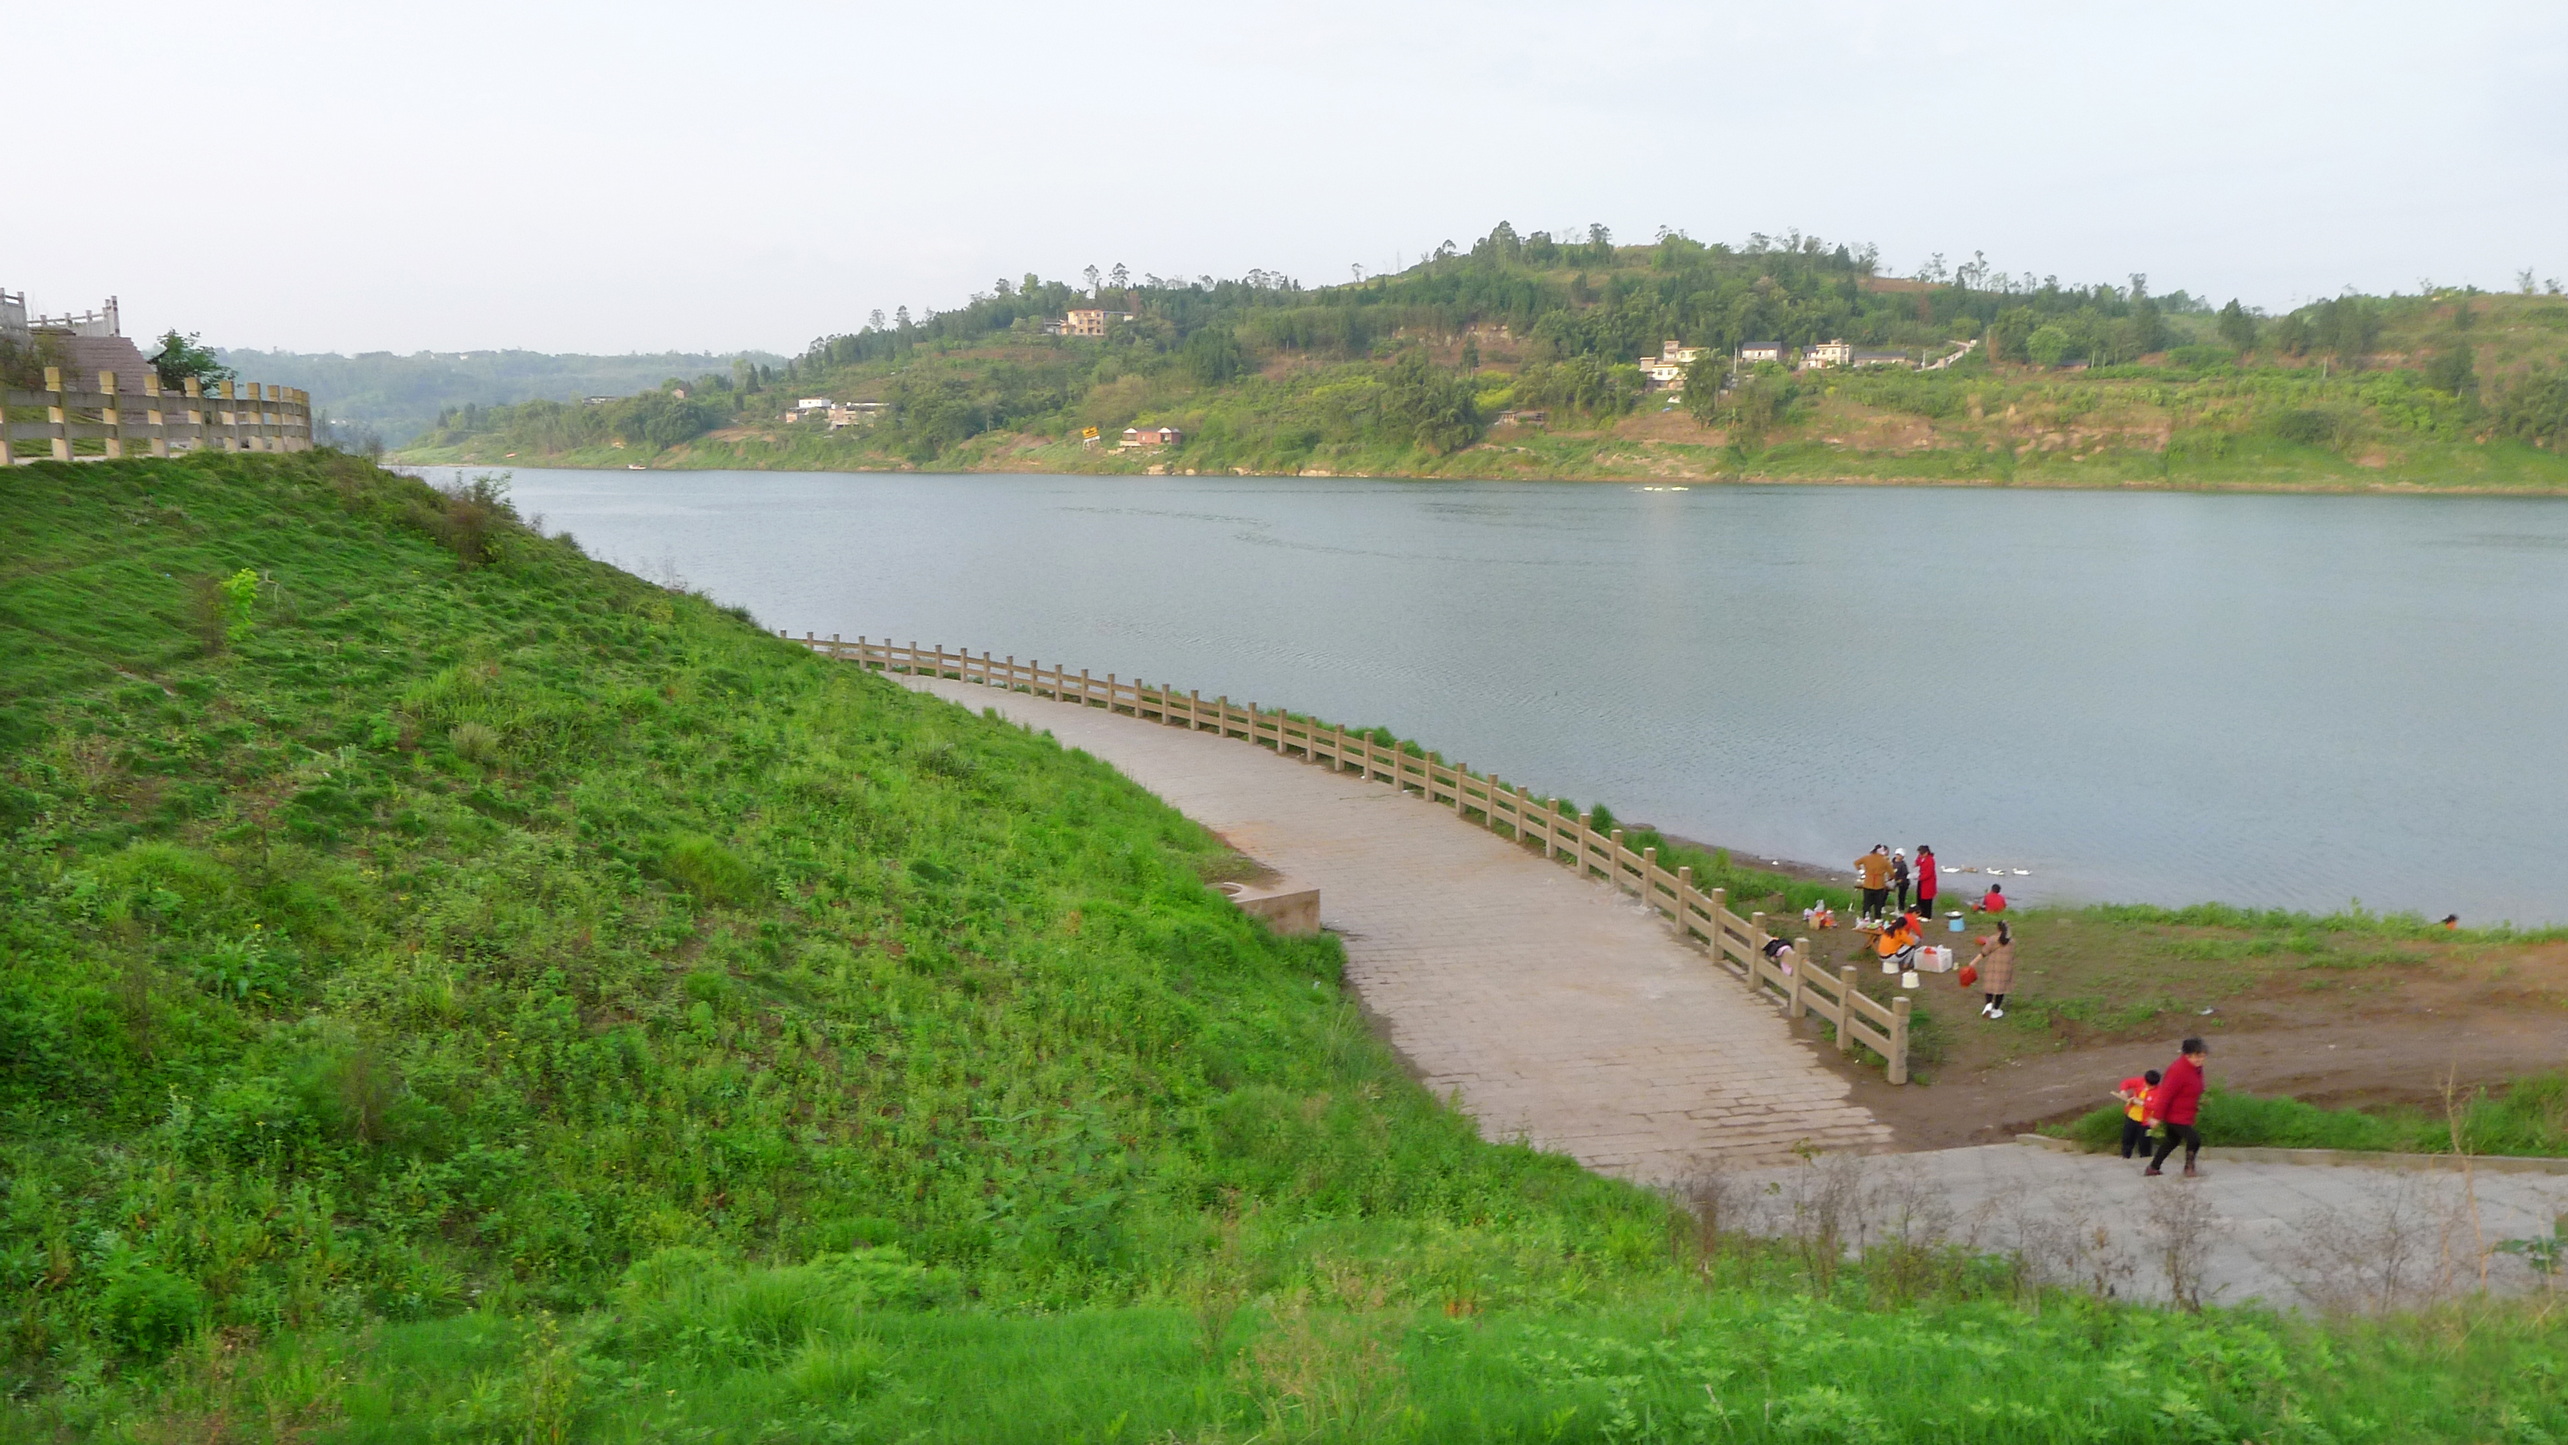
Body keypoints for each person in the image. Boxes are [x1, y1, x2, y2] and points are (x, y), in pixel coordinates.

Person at [2144, 1038, 2211, 1179]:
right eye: (2198, 1056)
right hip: (2175, 1115)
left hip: (2186, 1113)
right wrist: (2156, 1117)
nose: (2201, 1059)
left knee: (2172, 1141)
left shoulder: (2196, 1068)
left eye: (2203, 1056)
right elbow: (2165, 1095)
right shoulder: (2177, 1070)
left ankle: (2153, 1167)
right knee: (2194, 1139)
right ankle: (2189, 1168)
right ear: (2187, 1055)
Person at [1971, 920, 2015, 1017]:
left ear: (1997, 928)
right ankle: (1996, 1008)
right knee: (2001, 989)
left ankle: (1988, 1006)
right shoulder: (2012, 942)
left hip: (1993, 967)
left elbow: (1983, 953)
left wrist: (1973, 963)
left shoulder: (1992, 939)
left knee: (1990, 987)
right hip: (2006, 968)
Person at [2116, 1070, 2162, 1159]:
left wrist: (2141, 1103)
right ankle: (2125, 1156)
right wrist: (2123, 1091)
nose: (2147, 1086)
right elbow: (2126, 1082)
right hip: (2132, 1116)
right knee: (2127, 1139)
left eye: (2151, 1086)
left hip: (2145, 1121)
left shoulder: (2159, 1092)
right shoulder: (2139, 1081)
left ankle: (2145, 1159)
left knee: (2144, 1142)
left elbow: (2156, 1106)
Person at [1853, 845, 1892, 923]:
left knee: (1866, 903)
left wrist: (1861, 872)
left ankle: (1865, 918)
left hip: (1868, 883)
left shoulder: (1866, 858)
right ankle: (1877, 919)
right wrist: (1890, 878)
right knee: (1878, 904)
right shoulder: (1884, 861)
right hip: (1879, 885)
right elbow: (1892, 873)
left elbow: (1856, 863)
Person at [1915, 845, 1939, 919]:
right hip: (1921, 881)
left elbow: (1929, 873)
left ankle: (1927, 915)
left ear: (1926, 853)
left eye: (1921, 854)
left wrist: (1919, 877)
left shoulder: (1930, 860)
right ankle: (1920, 913)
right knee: (1919, 897)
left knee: (1927, 899)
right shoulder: (1922, 858)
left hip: (1928, 882)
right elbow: (1917, 862)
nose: (1920, 855)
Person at [1891, 849, 1913, 914]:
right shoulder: (1893, 862)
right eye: (1897, 855)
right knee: (1896, 896)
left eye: (1899, 855)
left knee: (1901, 896)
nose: (1898, 856)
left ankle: (1901, 908)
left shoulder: (1903, 864)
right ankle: (1896, 908)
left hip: (1903, 883)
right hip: (1895, 881)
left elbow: (1905, 874)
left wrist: (1900, 880)